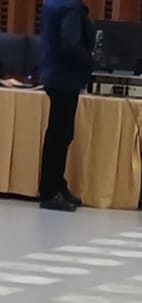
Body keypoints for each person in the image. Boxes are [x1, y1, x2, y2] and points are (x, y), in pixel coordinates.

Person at [37, 0, 93, 213]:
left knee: (59, 135)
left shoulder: (54, 2)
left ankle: (57, 185)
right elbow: (71, 44)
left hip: (54, 75)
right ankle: (51, 192)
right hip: (65, 77)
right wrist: (91, 60)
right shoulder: (70, 6)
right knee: (59, 136)